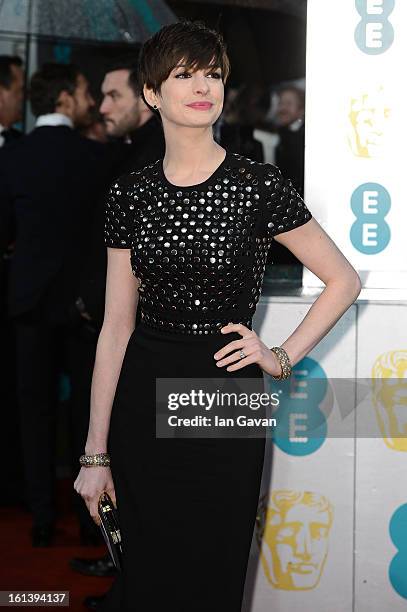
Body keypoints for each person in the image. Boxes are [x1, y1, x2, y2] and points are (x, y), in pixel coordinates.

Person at [74, 21, 361, 612]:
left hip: (224, 389)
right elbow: (115, 327)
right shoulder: (130, 194)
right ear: (153, 94)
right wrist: (95, 453)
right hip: (142, 388)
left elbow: (343, 279)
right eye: (183, 74)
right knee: (148, 570)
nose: (202, 86)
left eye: (213, 73)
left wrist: (280, 356)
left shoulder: (258, 184)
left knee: (213, 562)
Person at [67, 56, 165, 609]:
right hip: (118, 333)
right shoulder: (128, 158)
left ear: (144, 97)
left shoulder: (153, 164)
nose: (102, 108)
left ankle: (129, 574)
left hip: (150, 346)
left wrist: (280, 355)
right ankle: (125, 572)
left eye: (113, 96)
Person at [0, 62, 110, 547]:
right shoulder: (94, 157)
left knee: (34, 410)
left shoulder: (13, 157)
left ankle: (42, 516)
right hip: (83, 306)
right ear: (65, 98)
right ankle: (89, 520)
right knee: (85, 413)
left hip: (28, 301)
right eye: (85, 89)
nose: (90, 99)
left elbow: (4, 230)